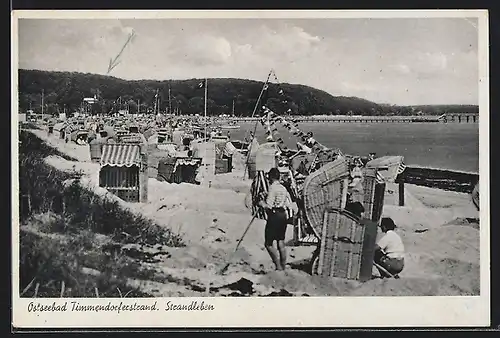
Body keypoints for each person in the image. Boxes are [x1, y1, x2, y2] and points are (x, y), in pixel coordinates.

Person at [258, 167, 291, 271]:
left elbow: (269, 205)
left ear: (271, 177)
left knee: (268, 243)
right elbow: (286, 203)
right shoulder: (283, 188)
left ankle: (278, 266)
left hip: (275, 215)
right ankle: (283, 266)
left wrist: (261, 203)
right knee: (281, 241)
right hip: (283, 215)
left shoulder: (272, 187)